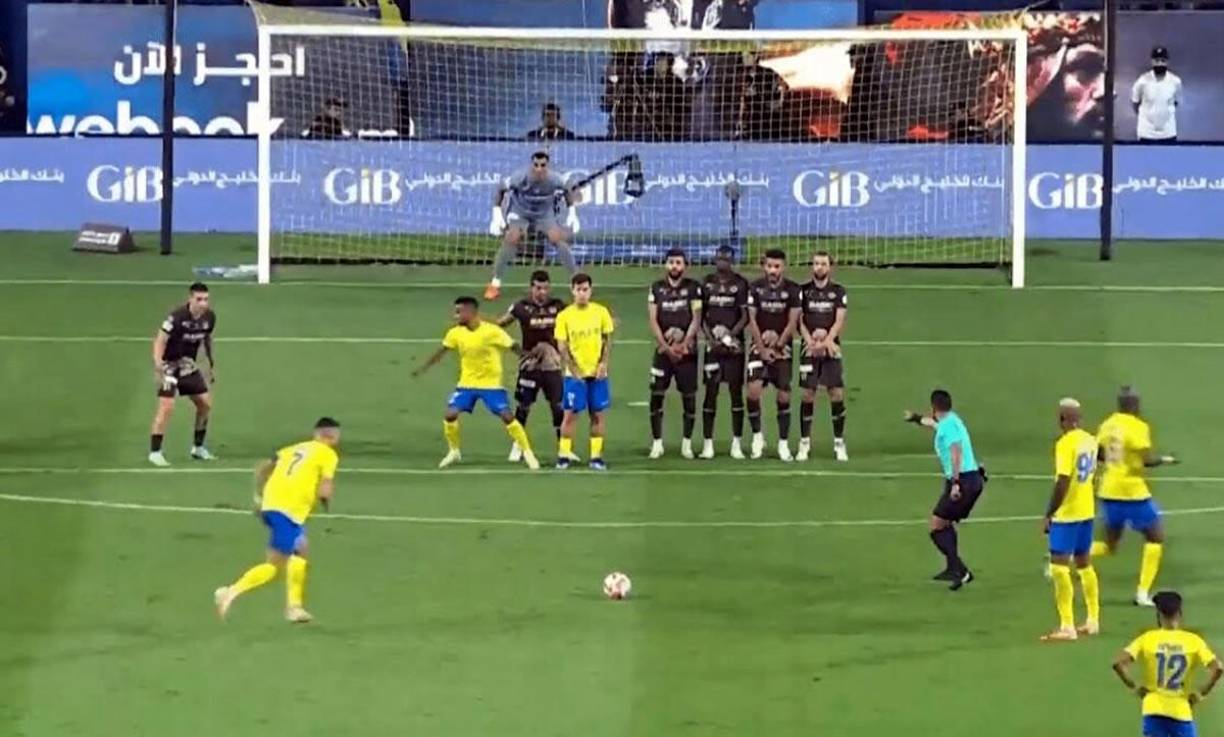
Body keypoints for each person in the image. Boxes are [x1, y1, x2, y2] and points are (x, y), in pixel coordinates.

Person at [214, 417, 342, 624]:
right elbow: (326, 485)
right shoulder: (327, 454)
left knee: (290, 554)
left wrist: (259, 496)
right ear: (332, 435)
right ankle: (234, 593)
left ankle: (291, 606)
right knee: (284, 559)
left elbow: (263, 467)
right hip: (288, 511)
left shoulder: (292, 448)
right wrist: (326, 502)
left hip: (274, 506)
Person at [412, 297, 539, 470]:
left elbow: (512, 346)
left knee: (507, 416)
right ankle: (454, 451)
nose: (456, 316)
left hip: (491, 385)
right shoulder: (455, 333)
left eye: (459, 312)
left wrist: (527, 356)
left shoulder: (491, 331)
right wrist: (424, 368)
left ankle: (528, 452)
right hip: (467, 384)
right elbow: (442, 351)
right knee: (450, 414)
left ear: (470, 312)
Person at [1092, 386, 1179, 607]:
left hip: (1108, 489)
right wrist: (1166, 460)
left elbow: (1098, 453)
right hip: (1132, 491)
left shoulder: (1108, 423)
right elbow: (1146, 460)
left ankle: (1062, 557)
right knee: (1155, 537)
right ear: (1132, 405)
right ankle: (1142, 593)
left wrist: (1115, 463)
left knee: (1109, 545)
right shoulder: (1138, 426)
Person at [904, 389, 986, 591]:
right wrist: (916, 418)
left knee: (936, 526)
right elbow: (933, 424)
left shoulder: (948, 427)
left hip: (962, 481)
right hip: (971, 479)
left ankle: (961, 571)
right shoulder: (952, 420)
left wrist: (956, 483)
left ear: (933, 407)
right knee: (945, 523)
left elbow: (956, 451)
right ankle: (952, 568)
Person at [1113, 591, 1223, 737]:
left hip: (1152, 709)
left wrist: (1135, 687)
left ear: (1158, 614)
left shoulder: (1147, 638)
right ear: (1180, 613)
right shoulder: (1193, 641)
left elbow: (1118, 663)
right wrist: (1202, 693)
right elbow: (1218, 668)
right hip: (1181, 711)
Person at [1041, 397, 1101, 642]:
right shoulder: (1090, 440)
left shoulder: (1065, 444)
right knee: (1084, 563)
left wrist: (1049, 513)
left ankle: (1067, 626)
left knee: (1059, 567)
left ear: (1062, 419)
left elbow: (1063, 482)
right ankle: (1093, 620)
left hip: (1068, 514)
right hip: (1087, 510)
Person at [486, 151, 579, 301]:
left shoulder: (554, 179)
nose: (539, 169)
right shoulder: (520, 177)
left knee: (557, 238)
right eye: (536, 165)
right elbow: (500, 188)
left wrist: (572, 212)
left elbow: (568, 188)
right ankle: (495, 283)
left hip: (544, 215)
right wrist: (496, 214)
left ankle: (577, 281)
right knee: (512, 238)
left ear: (547, 166)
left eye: (543, 165)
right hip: (520, 213)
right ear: (531, 165)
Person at [497, 270, 569, 463]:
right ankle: (518, 445)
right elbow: (500, 324)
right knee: (524, 406)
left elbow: (576, 320)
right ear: (531, 288)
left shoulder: (558, 306)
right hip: (529, 364)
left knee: (557, 406)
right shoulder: (521, 307)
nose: (542, 292)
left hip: (552, 364)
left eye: (545, 288)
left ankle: (563, 448)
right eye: (538, 288)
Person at [149, 282, 217, 467]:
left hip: (187, 365)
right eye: (199, 299)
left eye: (206, 299)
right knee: (167, 406)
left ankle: (198, 448)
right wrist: (159, 365)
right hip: (169, 366)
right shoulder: (176, 317)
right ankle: (155, 452)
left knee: (205, 404)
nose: (203, 303)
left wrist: (210, 363)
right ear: (190, 299)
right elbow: (160, 340)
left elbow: (207, 339)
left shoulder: (209, 317)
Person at [554, 273, 614, 470]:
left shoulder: (601, 312)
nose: (582, 293)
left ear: (591, 290)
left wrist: (603, 364)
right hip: (574, 376)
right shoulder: (564, 316)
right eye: (578, 290)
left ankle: (596, 457)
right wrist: (574, 369)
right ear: (572, 290)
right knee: (570, 415)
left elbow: (607, 340)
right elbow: (562, 346)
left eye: (585, 289)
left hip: (597, 374)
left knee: (597, 415)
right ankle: (563, 455)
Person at [647, 248, 703, 459]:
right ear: (666, 265)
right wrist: (666, 346)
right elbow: (653, 320)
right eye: (671, 262)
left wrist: (685, 343)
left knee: (689, 398)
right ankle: (657, 444)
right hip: (663, 352)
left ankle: (686, 444)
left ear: (685, 266)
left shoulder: (694, 288)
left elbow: (696, 318)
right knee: (656, 396)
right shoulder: (656, 288)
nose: (674, 266)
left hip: (687, 352)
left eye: (678, 262)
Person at [746, 248, 800, 461]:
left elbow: (793, 321)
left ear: (783, 267)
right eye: (769, 266)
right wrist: (762, 349)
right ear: (764, 266)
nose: (772, 270)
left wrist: (777, 346)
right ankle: (757, 437)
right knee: (753, 391)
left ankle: (783, 444)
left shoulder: (793, 289)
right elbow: (751, 320)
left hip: (782, 349)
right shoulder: (755, 288)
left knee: (784, 395)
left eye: (776, 266)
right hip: (759, 347)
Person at [796, 251, 849, 462]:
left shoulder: (838, 291)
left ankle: (839, 443)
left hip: (830, 347)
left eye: (823, 263)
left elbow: (839, 320)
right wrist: (810, 341)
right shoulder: (803, 291)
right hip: (809, 347)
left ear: (830, 267)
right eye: (816, 263)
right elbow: (799, 320)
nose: (819, 267)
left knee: (836, 393)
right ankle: (804, 443)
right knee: (808, 394)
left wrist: (827, 341)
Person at [700, 245, 749, 459]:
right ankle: (707, 444)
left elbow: (745, 316)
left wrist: (729, 336)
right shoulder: (706, 283)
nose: (723, 262)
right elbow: (701, 316)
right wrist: (712, 339)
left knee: (736, 393)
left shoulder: (741, 284)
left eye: (726, 259)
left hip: (734, 346)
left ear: (732, 261)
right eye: (720, 258)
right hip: (713, 347)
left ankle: (736, 443)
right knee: (710, 392)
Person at [1132, 46, 1182, 143]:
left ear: (1167, 62)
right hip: (1146, 134)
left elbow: (1176, 102)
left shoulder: (1175, 81)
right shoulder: (1142, 81)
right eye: (1157, 60)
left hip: (1168, 133)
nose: (1160, 64)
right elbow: (1135, 103)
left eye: (1163, 61)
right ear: (1152, 61)